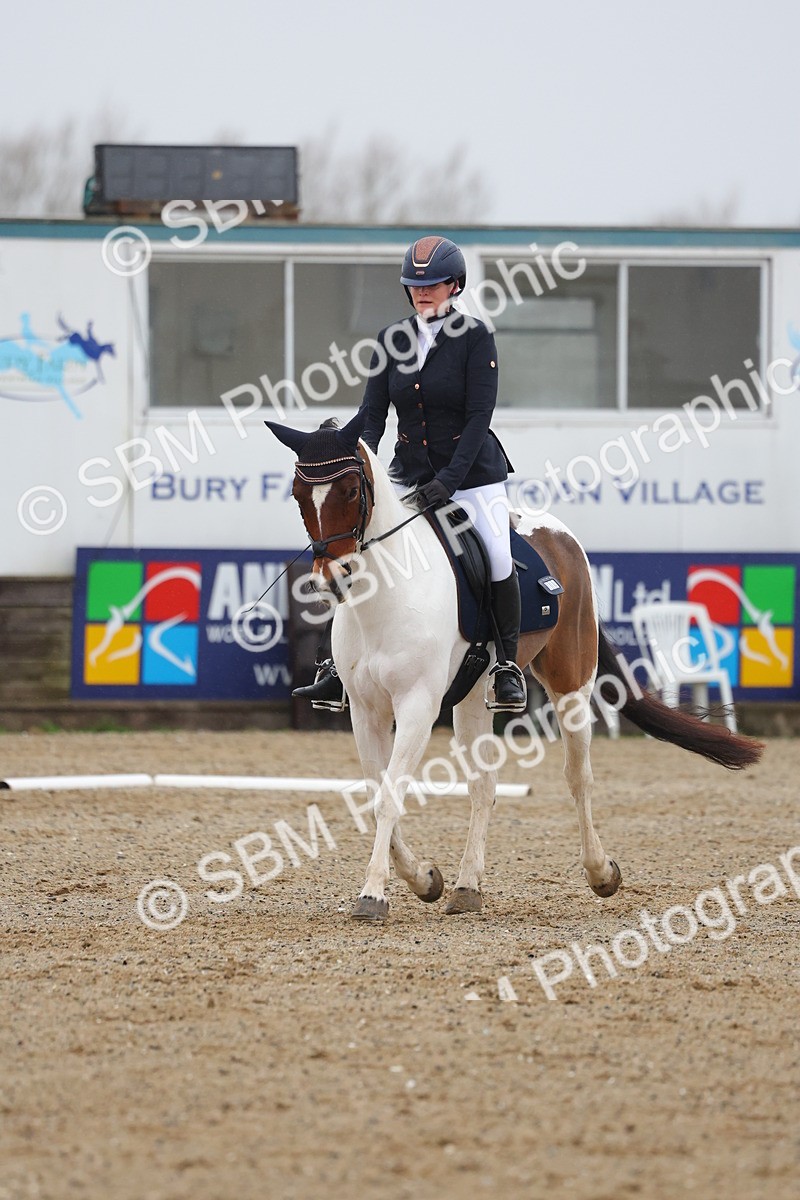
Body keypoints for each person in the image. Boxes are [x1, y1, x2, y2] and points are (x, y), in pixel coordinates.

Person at [293, 235, 527, 712]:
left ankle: (506, 667)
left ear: (454, 286)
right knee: (353, 550)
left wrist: (451, 480)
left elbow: (479, 417)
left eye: (434, 284)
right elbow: (373, 414)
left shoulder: (476, 337)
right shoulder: (391, 339)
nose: (424, 292)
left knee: (498, 557)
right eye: (415, 285)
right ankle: (336, 668)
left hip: (473, 475)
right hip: (407, 472)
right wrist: (363, 468)